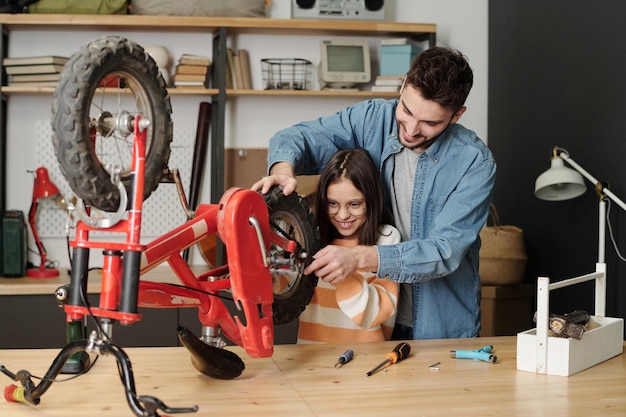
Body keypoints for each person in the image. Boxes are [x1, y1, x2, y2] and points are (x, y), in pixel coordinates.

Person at [252, 46, 496, 340]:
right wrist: (282, 169)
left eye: (430, 123)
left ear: (457, 115)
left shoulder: (474, 163)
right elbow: (295, 137)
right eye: (406, 109)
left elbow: (443, 252)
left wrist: (357, 258)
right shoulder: (371, 119)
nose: (410, 129)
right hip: (370, 329)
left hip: (438, 327)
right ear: (404, 83)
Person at [297, 148, 401, 344]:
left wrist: (341, 273)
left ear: (371, 200)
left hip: (367, 362)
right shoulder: (311, 237)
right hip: (311, 358)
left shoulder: (387, 239)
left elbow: (376, 315)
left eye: (354, 204)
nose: (342, 215)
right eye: (332, 203)